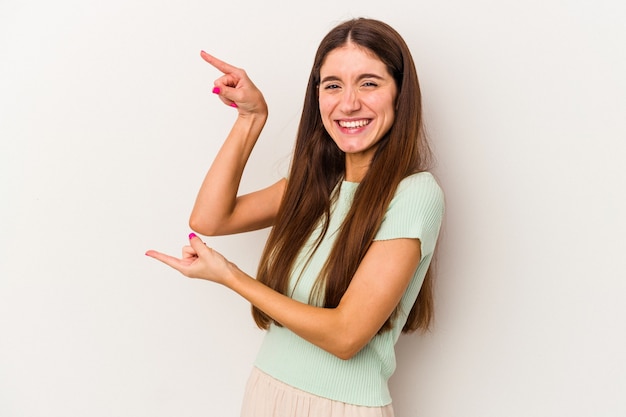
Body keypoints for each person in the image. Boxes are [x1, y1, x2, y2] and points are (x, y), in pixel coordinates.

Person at [146, 17, 444, 417]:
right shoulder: (317, 186)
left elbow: (346, 335)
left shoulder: (414, 194)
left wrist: (232, 277)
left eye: (369, 83)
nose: (349, 102)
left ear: (400, 94)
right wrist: (250, 119)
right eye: (333, 85)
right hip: (266, 393)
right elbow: (210, 219)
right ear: (317, 95)